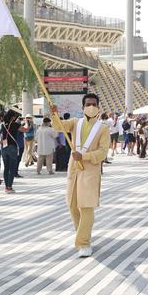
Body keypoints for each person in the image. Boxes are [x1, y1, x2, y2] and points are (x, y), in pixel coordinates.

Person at [50, 94, 109, 257]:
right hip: (74, 169)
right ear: (82, 107)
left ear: (98, 107)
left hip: (90, 170)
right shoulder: (76, 123)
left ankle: (84, 243)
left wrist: (85, 156)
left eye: (94, 104)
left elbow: (103, 152)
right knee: (72, 205)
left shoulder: (103, 128)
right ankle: (82, 234)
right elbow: (58, 126)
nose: (91, 107)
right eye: (88, 104)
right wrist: (54, 114)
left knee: (86, 205)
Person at [0, 107, 25, 193]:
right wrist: (28, 123)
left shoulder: (2, 125)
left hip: (4, 148)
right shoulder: (15, 124)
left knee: (6, 168)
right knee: (12, 168)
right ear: (13, 117)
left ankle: (6, 187)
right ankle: (9, 187)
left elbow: (1, 135)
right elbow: (25, 130)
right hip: (12, 148)